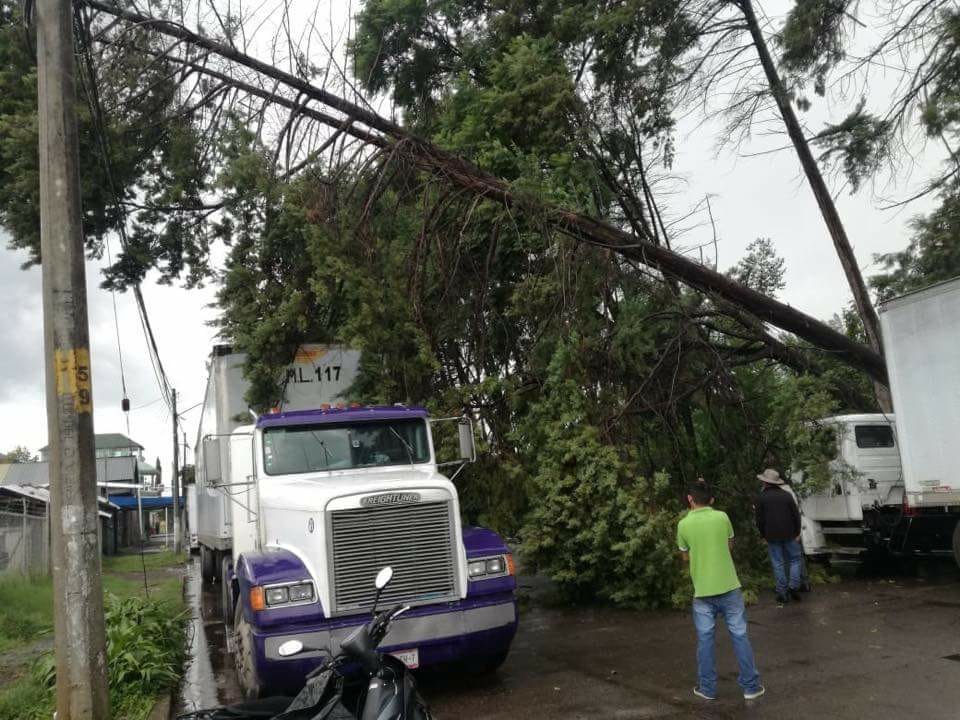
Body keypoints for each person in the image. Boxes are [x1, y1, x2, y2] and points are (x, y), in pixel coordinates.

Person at [677, 482, 765, 702]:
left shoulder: (683, 525)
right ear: (713, 500)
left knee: (705, 639)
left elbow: (685, 556)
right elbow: (729, 545)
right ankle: (751, 687)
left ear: (690, 499)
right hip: (729, 587)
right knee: (740, 635)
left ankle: (707, 688)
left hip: (702, 591)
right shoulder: (723, 517)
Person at [755, 468, 803, 603]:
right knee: (795, 560)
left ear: (765, 482)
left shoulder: (761, 497)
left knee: (778, 563)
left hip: (771, 535)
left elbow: (759, 520)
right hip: (790, 533)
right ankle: (793, 586)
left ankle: (782, 592)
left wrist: (763, 535)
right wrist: (797, 532)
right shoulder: (786, 495)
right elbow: (796, 515)